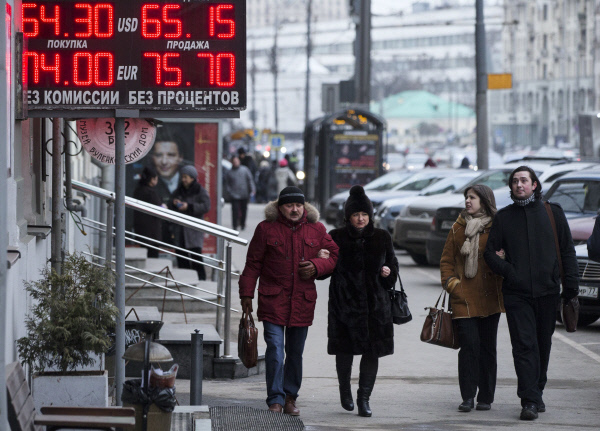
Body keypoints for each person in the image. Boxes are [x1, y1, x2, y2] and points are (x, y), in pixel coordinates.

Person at [484, 166, 578, 421]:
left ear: (534, 184)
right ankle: (529, 401)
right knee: (524, 345)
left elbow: (567, 251)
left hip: (548, 292)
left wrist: (570, 286)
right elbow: (489, 253)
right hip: (517, 294)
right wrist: (509, 272)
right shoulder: (504, 217)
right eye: (514, 181)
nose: (519, 185)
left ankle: (537, 390)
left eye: (524, 180)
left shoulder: (552, 213)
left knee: (542, 344)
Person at [239, 186, 339, 415]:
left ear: (304, 207)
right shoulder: (266, 229)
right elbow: (253, 263)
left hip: (302, 301)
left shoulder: (317, 229)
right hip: (273, 298)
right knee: (275, 348)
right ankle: (275, 398)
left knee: (295, 352)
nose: (294, 210)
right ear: (280, 207)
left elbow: (334, 256)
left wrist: (316, 266)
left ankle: (290, 397)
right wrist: (246, 293)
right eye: (289, 205)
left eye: (298, 205)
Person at [326, 185, 399, 417]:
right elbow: (325, 271)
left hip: (376, 309)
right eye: (356, 214)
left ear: (370, 216)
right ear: (348, 216)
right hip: (344, 307)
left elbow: (393, 266)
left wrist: (389, 272)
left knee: (372, 353)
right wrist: (321, 258)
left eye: (364, 215)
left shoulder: (382, 237)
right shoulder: (335, 237)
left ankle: (364, 398)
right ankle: (344, 390)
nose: (360, 219)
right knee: (344, 351)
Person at [440, 184, 504, 413]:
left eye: (472, 197)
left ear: (485, 201)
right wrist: (452, 284)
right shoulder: (458, 228)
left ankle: (486, 396)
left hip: (490, 297)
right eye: (466, 197)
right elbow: (446, 261)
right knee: (469, 347)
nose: (468, 201)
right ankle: (468, 396)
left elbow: (508, 255)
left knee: (488, 348)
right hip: (463, 297)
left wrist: (503, 258)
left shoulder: (497, 227)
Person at [169, 165, 211, 281]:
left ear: (192, 178)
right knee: (181, 258)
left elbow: (206, 206)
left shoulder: (200, 191)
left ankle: (201, 280)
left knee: (196, 257)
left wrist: (189, 207)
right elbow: (170, 203)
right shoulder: (178, 190)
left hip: (193, 231)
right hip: (180, 230)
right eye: (182, 177)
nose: (183, 179)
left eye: (186, 177)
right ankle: (185, 281)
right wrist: (174, 203)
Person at [132, 166, 164, 258]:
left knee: (146, 254)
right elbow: (159, 209)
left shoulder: (138, 190)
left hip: (142, 230)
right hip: (152, 232)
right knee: (153, 256)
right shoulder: (150, 193)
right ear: (152, 179)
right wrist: (164, 207)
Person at [225, 156, 256, 231]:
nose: (235, 163)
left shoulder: (245, 170)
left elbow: (250, 180)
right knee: (235, 210)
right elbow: (227, 183)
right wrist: (229, 191)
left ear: (239, 161)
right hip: (234, 195)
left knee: (244, 210)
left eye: (237, 161)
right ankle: (235, 225)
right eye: (234, 161)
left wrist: (252, 189)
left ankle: (242, 224)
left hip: (244, 193)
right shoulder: (230, 172)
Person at [151, 139, 184, 205]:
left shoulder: (191, 182)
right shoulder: (147, 186)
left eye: (171, 155)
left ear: (180, 158)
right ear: (152, 158)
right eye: (159, 155)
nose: (164, 162)